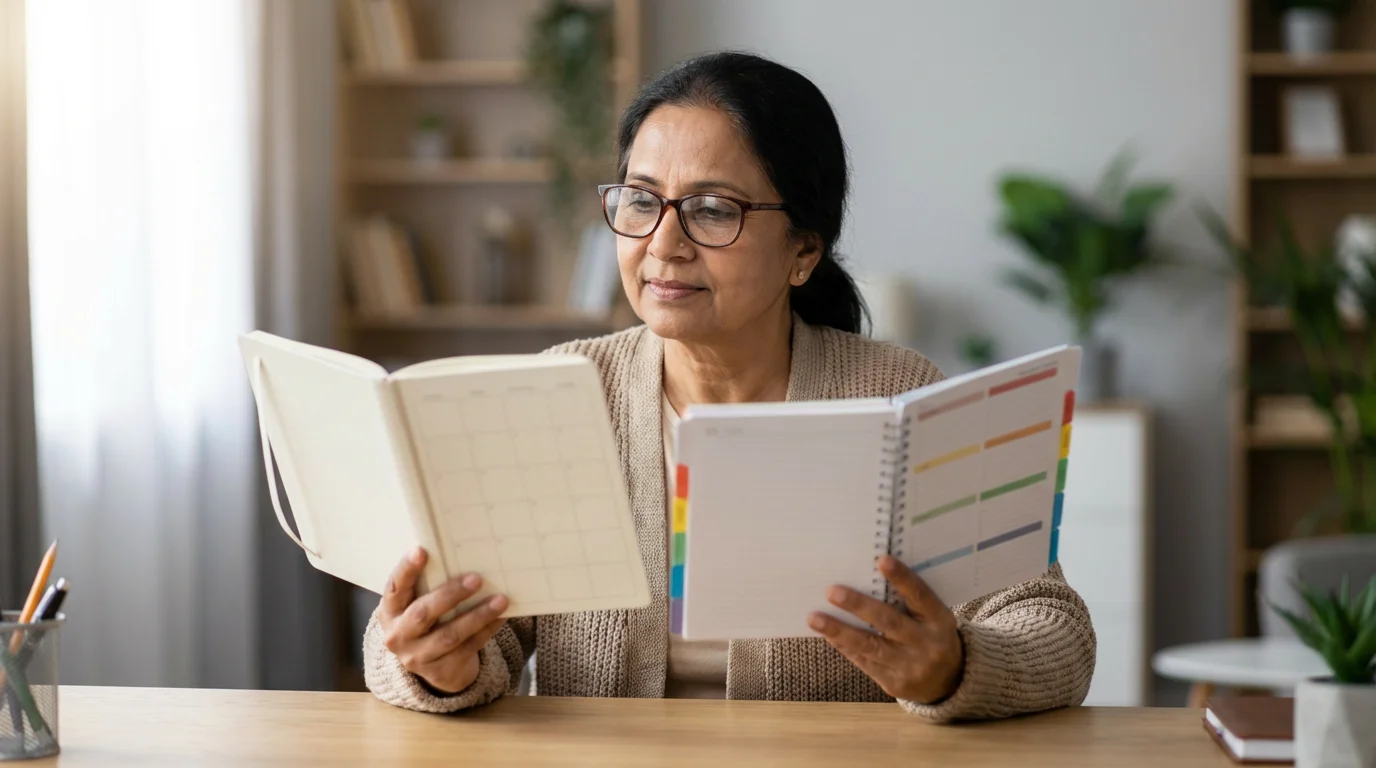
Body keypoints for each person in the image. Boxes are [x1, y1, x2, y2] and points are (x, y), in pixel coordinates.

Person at [362, 51, 1096, 721]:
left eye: (713, 210)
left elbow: (1051, 625)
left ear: (803, 251)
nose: (663, 244)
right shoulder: (564, 391)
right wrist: (440, 664)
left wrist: (954, 667)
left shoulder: (896, 394)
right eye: (641, 200)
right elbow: (463, 630)